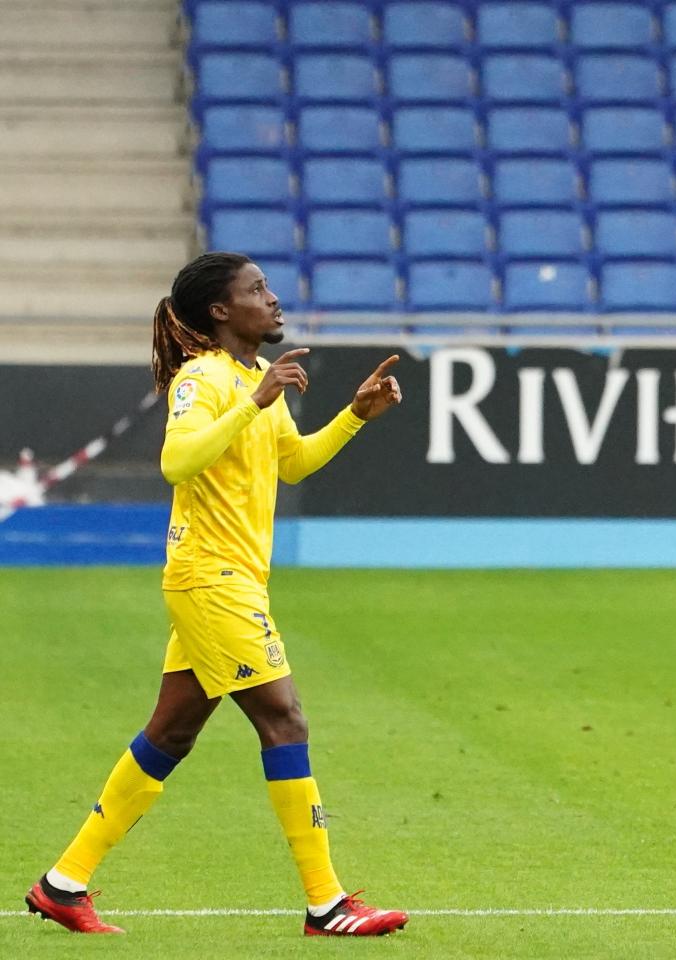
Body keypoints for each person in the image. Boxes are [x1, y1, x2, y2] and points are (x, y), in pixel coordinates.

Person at [23, 252, 409, 937]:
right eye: (256, 289)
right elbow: (176, 460)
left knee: (171, 732)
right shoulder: (201, 380)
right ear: (221, 312)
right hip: (212, 580)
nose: (273, 298)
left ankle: (63, 883)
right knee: (283, 721)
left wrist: (353, 415)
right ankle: (326, 903)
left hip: (228, 581)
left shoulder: (257, 375)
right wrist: (250, 406)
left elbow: (290, 463)